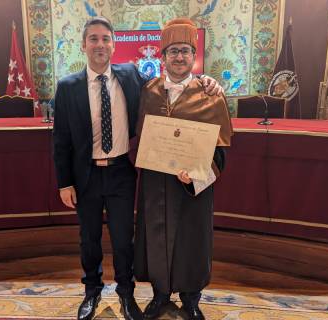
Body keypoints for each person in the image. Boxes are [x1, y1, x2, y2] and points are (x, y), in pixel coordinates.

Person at [53, 16, 223, 320]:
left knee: (126, 239)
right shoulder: (74, 87)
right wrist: (65, 182)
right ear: (84, 44)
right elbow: (60, 139)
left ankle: (140, 296)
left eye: (105, 39)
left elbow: (217, 144)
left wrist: (208, 79)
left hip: (127, 173)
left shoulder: (135, 78)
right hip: (94, 176)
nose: (100, 44)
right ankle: (94, 292)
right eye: (93, 39)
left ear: (114, 45)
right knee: (90, 239)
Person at [133, 18, 233, 320]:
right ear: (163, 56)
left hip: (193, 186)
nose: (179, 57)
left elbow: (221, 151)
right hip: (156, 183)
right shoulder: (149, 91)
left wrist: (197, 178)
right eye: (173, 51)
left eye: (186, 51)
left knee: (193, 239)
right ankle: (160, 294)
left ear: (194, 55)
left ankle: (191, 298)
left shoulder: (211, 95)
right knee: (155, 236)